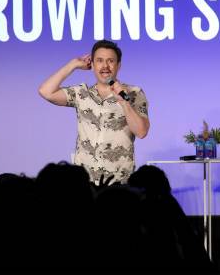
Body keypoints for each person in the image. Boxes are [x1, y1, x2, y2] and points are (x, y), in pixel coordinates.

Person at [38, 40, 149, 184]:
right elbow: (45, 91)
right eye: (100, 61)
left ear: (118, 65)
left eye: (110, 61)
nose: (105, 66)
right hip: (84, 182)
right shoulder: (81, 93)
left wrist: (123, 101)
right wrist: (73, 65)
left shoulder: (133, 93)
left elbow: (141, 132)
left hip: (119, 182)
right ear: (93, 65)